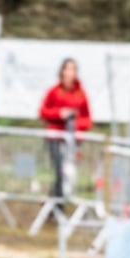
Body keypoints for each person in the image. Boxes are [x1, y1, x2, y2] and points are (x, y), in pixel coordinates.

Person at [38, 58, 92, 198]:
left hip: (73, 141)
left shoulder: (81, 94)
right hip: (56, 138)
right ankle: (56, 202)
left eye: (73, 69)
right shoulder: (54, 91)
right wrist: (59, 114)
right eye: (67, 69)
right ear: (62, 71)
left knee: (69, 172)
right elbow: (43, 112)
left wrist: (76, 125)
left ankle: (57, 200)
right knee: (58, 172)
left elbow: (87, 119)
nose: (70, 72)